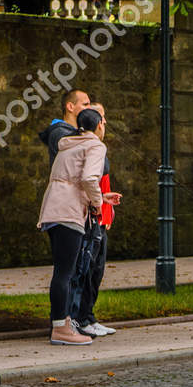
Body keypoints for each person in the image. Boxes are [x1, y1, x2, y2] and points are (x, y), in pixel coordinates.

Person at [36, 108, 107, 345]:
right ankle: (61, 329)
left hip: (53, 210)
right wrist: (97, 204)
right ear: (98, 125)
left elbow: (70, 179)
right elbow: (88, 179)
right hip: (69, 212)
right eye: (104, 121)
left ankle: (63, 322)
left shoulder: (69, 145)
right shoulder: (96, 145)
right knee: (65, 273)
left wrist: (101, 198)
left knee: (62, 271)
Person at [70, 103, 121, 338]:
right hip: (90, 215)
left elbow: (102, 182)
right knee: (85, 270)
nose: (105, 122)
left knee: (96, 270)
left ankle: (88, 317)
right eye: (102, 116)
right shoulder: (91, 146)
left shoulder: (95, 147)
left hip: (100, 214)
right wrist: (99, 206)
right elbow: (89, 181)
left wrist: (106, 211)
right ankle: (80, 319)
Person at [39, 89, 91, 165]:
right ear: (70, 107)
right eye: (85, 104)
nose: (90, 108)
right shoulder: (60, 133)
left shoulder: (77, 132)